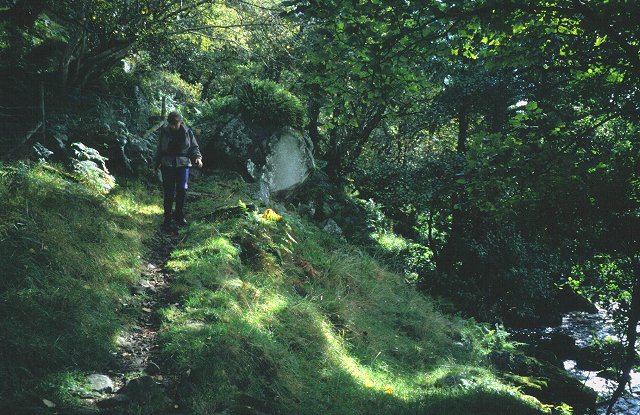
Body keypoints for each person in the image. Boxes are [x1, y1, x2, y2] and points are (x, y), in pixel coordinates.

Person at [153, 111, 203, 229]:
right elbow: (159, 149)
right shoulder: (164, 132)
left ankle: (179, 215)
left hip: (183, 164)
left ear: (181, 122)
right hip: (167, 164)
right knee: (169, 191)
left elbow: (194, 147)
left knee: (182, 189)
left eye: (176, 124)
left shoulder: (187, 132)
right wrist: (155, 166)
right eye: (172, 124)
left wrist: (198, 158)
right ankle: (167, 217)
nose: (174, 126)